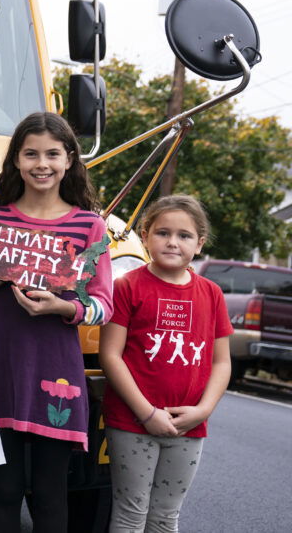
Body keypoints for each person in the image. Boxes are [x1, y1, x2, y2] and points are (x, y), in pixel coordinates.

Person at [0, 111, 113, 533]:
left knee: (49, 495)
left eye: (52, 153)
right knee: (4, 490)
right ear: (15, 160)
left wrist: (62, 308)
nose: (41, 163)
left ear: (69, 160)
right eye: (30, 154)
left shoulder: (90, 226)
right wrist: (1, 271)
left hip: (58, 373)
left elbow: (102, 306)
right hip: (3, 369)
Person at [100, 195, 231, 532]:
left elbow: (221, 363)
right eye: (163, 233)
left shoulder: (212, 294)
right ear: (145, 236)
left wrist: (202, 411)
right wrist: (146, 413)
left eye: (184, 235)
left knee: (166, 516)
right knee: (131, 512)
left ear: (199, 244)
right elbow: (111, 355)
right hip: (132, 421)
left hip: (189, 425)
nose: (173, 242)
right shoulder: (127, 286)